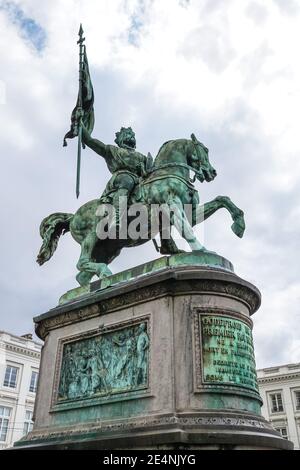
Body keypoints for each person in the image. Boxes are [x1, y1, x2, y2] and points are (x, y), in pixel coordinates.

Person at [82, 124, 153, 234]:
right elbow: (90, 140)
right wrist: (81, 126)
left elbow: (147, 174)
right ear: (121, 138)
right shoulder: (112, 150)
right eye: (128, 134)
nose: (131, 136)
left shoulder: (142, 157)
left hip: (138, 181)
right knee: (127, 181)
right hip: (121, 177)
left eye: (132, 134)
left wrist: (143, 170)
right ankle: (117, 219)